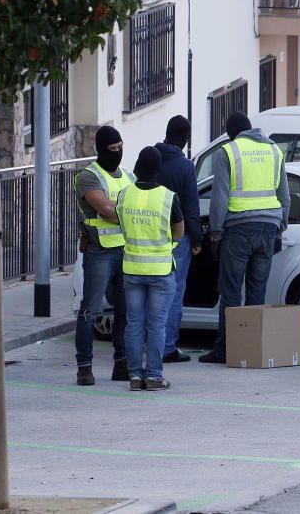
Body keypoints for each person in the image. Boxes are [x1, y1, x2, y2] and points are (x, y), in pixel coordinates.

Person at [199, 113, 290, 364]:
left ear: (231, 133)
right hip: (269, 228)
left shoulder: (228, 151)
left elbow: (220, 197)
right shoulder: (274, 151)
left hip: (238, 228)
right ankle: (252, 349)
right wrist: (280, 227)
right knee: (256, 292)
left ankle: (225, 349)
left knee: (230, 291)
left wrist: (215, 232)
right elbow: (285, 195)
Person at [117, 147, 184, 391]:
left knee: (134, 323)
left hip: (132, 268)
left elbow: (123, 227)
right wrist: (166, 246)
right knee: (156, 324)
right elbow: (179, 232)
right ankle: (154, 376)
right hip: (160, 271)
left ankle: (135, 377)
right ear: (158, 169)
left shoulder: (124, 196)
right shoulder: (168, 197)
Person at [74, 126, 134, 386]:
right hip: (99, 250)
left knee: (125, 311)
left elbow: (118, 208)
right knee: (91, 310)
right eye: (112, 149)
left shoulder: (129, 175)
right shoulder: (88, 176)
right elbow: (108, 211)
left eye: (120, 147)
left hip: (126, 248)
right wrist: (127, 208)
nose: (118, 152)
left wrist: (120, 208)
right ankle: (84, 367)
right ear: (101, 149)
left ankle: (121, 364)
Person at [155, 115, 201, 364]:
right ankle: (167, 347)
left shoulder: (150, 157)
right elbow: (191, 207)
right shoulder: (185, 167)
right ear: (184, 139)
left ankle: (150, 343)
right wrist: (197, 239)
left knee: (149, 291)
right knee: (173, 290)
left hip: (147, 235)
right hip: (176, 237)